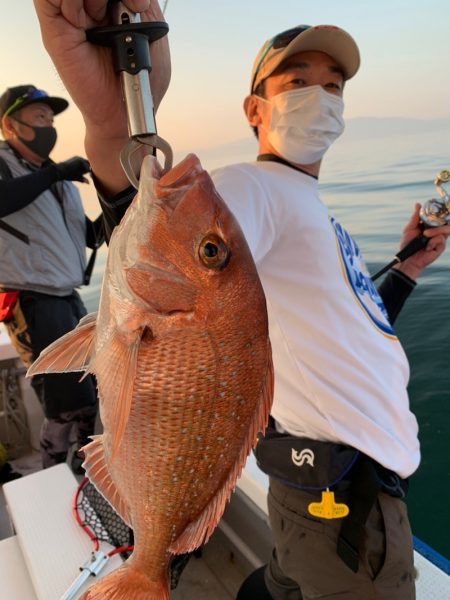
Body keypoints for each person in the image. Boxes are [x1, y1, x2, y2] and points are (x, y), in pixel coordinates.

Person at [32, 2, 450, 599]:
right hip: (344, 499)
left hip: (338, 486)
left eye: (334, 86)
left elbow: (347, 328)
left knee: (282, 584)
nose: (321, 96)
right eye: (297, 81)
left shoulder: (305, 201)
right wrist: (111, 122)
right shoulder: (250, 188)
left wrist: (407, 267)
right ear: (256, 109)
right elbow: (154, 228)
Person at [0, 83, 103, 472]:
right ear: (10, 125)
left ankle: (82, 473)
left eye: (50, 117)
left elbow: (86, 238)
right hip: (32, 301)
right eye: (39, 116)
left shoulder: (58, 181)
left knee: (88, 398)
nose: (48, 124)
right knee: (63, 405)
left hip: (67, 299)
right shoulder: (7, 165)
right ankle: (54, 477)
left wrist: (119, 214)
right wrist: (58, 171)